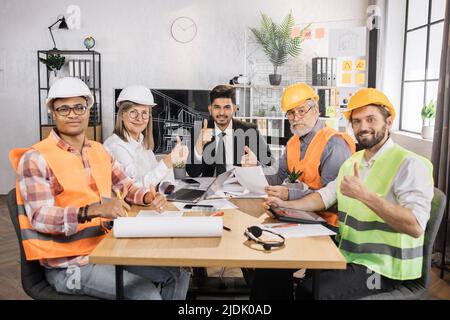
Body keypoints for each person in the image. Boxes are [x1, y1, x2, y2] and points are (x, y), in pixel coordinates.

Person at [9, 77, 190, 300]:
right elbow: (40, 217)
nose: (73, 114)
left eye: (79, 107)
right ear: (53, 114)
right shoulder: (36, 158)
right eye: (64, 109)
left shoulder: (99, 151)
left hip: (107, 249)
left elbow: (126, 186)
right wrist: (92, 210)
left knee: (179, 273)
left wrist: (148, 196)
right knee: (146, 294)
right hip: (69, 265)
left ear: (88, 111)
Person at [251, 88, 434, 300]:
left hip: (385, 269)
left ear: (389, 122)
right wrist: (283, 206)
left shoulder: (411, 164)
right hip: (347, 253)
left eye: (371, 119)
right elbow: (323, 197)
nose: (363, 127)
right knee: (271, 266)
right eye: (357, 121)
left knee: (310, 292)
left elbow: (415, 226)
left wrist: (365, 195)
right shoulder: (353, 162)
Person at [243, 82, 355, 227]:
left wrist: (289, 195)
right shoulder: (293, 143)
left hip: (326, 226)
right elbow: (277, 176)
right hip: (298, 216)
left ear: (315, 110)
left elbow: (333, 199)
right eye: (291, 113)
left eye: (301, 111)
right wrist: (255, 167)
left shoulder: (334, 144)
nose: (295, 118)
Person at [104, 85, 188, 188]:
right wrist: (167, 162)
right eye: (133, 112)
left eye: (144, 113)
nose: (139, 119)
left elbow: (159, 177)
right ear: (122, 115)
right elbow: (134, 188)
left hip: (149, 201)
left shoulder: (142, 143)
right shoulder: (115, 146)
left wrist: (169, 187)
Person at [186, 84, 272, 177]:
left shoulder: (250, 130)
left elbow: (270, 165)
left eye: (227, 107)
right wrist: (199, 146)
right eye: (217, 107)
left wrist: (256, 164)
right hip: (210, 188)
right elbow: (192, 173)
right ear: (210, 109)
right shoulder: (199, 131)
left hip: (241, 187)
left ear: (234, 108)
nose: (221, 112)